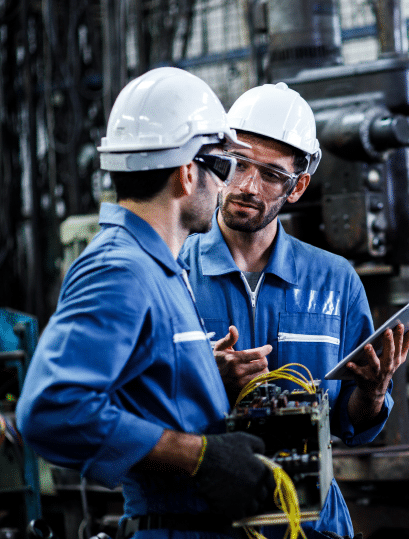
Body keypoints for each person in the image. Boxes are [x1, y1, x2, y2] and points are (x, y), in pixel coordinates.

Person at [16, 67, 277, 539]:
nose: (225, 186)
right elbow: (51, 408)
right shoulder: (121, 269)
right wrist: (200, 456)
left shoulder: (160, 267)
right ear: (188, 172)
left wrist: (196, 373)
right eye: (222, 167)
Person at [179, 82, 409, 539]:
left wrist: (372, 392)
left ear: (298, 187)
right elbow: (138, 405)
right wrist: (208, 378)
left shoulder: (334, 280)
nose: (247, 186)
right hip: (208, 520)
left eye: (271, 175)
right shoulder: (176, 270)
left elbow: (353, 424)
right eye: (239, 164)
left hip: (311, 521)